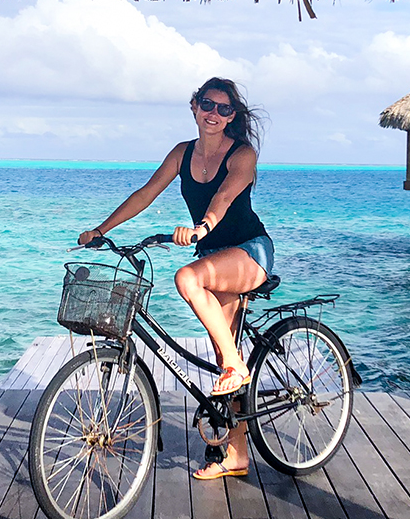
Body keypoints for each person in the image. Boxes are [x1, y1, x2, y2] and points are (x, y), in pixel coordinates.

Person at [79, 77, 273, 481]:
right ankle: (236, 455)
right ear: (194, 106)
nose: (214, 113)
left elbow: (224, 196)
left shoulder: (243, 153)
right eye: (208, 104)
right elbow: (146, 193)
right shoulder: (182, 154)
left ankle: (238, 366)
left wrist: (203, 226)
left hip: (249, 251)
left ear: (232, 116)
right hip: (214, 258)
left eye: (224, 109)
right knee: (224, 358)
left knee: (187, 279)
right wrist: (101, 230)